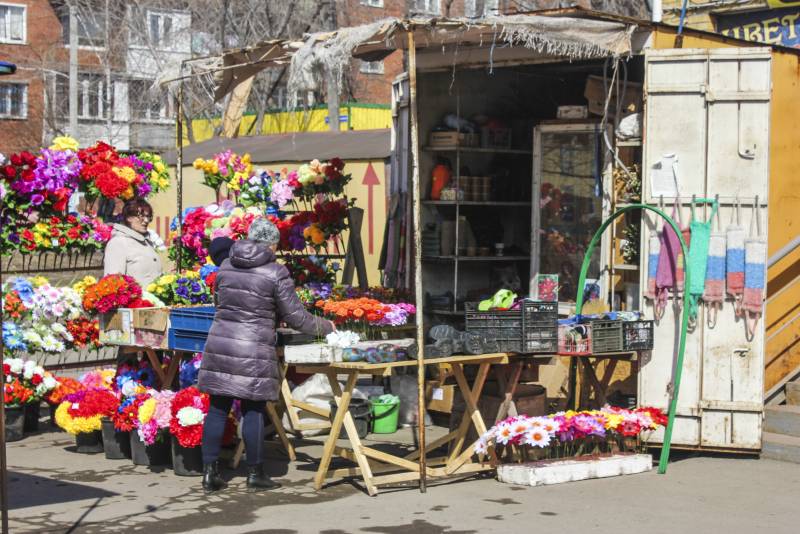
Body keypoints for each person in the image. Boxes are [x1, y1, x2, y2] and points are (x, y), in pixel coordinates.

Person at [198, 218, 335, 493]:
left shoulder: (226, 266)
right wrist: (327, 326)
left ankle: (210, 474)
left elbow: (220, 303)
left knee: (218, 407)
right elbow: (296, 317)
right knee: (254, 409)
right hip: (254, 349)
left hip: (221, 343)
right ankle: (255, 473)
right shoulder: (275, 272)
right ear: (272, 244)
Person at [103, 199, 162, 287]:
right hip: (137, 296)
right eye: (141, 216)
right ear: (129, 217)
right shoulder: (118, 243)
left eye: (148, 216)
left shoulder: (146, 242)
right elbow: (113, 284)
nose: (146, 220)